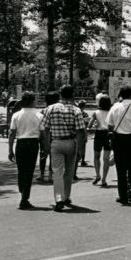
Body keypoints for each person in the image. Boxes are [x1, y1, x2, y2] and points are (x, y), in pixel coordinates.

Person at [40, 84, 87, 212]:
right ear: (72, 95)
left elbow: (44, 128)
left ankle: (59, 199)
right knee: (69, 172)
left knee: (57, 172)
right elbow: (80, 131)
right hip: (71, 142)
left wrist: (46, 144)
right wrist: (81, 149)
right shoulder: (76, 110)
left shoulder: (51, 108)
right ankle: (67, 196)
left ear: (60, 94)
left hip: (55, 142)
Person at [8, 91, 42, 210]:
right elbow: (42, 133)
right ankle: (25, 197)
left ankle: (22, 191)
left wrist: (10, 150)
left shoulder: (16, 115)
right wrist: (45, 148)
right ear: (33, 101)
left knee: (21, 170)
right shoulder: (39, 115)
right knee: (30, 170)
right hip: (33, 144)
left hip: (20, 144)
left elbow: (12, 133)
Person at [88, 95, 112, 187]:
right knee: (106, 158)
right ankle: (104, 179)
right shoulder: (111, 112)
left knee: (96, 156)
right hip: (108, 134)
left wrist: (94, 125)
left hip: (99, 134)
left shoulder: (96, 112)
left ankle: (98, 175)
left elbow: (90, 125)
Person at [37, 91, 60, 183]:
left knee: (43, 155)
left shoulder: (42, 111)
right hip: (54, 135)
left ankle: (42, 174)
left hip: (43, 135)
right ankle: (50, 175)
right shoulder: (58, 110)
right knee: (52, 156)